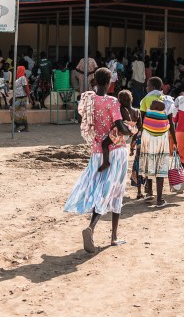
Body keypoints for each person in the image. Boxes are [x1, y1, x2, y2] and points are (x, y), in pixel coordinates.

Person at [64, 68, 132, 253]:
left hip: (96, 151)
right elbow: (119, 125)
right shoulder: (112, 101)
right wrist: (131, 129)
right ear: (110, 83)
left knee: (98, 188)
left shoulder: (89, 100)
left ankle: (96, 230)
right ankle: (109, 235)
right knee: (115, 190)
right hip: (116, 151)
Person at [139, 77, 175, 207]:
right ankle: (159, 199)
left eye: (148, 85)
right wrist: (174, 140)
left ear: (153, 87)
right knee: (161, 165)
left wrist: (137, 137)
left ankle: (149, 193)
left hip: (147, 135)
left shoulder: (145, 100)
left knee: (149, 162)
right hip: (162, 136)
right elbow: (171, 123)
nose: (146, 88)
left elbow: (141, 120)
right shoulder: (169, 100)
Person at [13, 66, 30, 132]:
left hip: (22, 98)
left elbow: (26, 88)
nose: (16, 70)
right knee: (17, 112)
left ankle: (25, 126)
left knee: (22, 113)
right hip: (17, 97)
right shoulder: (18, 78)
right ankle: (18, 125)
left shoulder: (22, 78)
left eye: (17, 69)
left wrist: (29, 97)